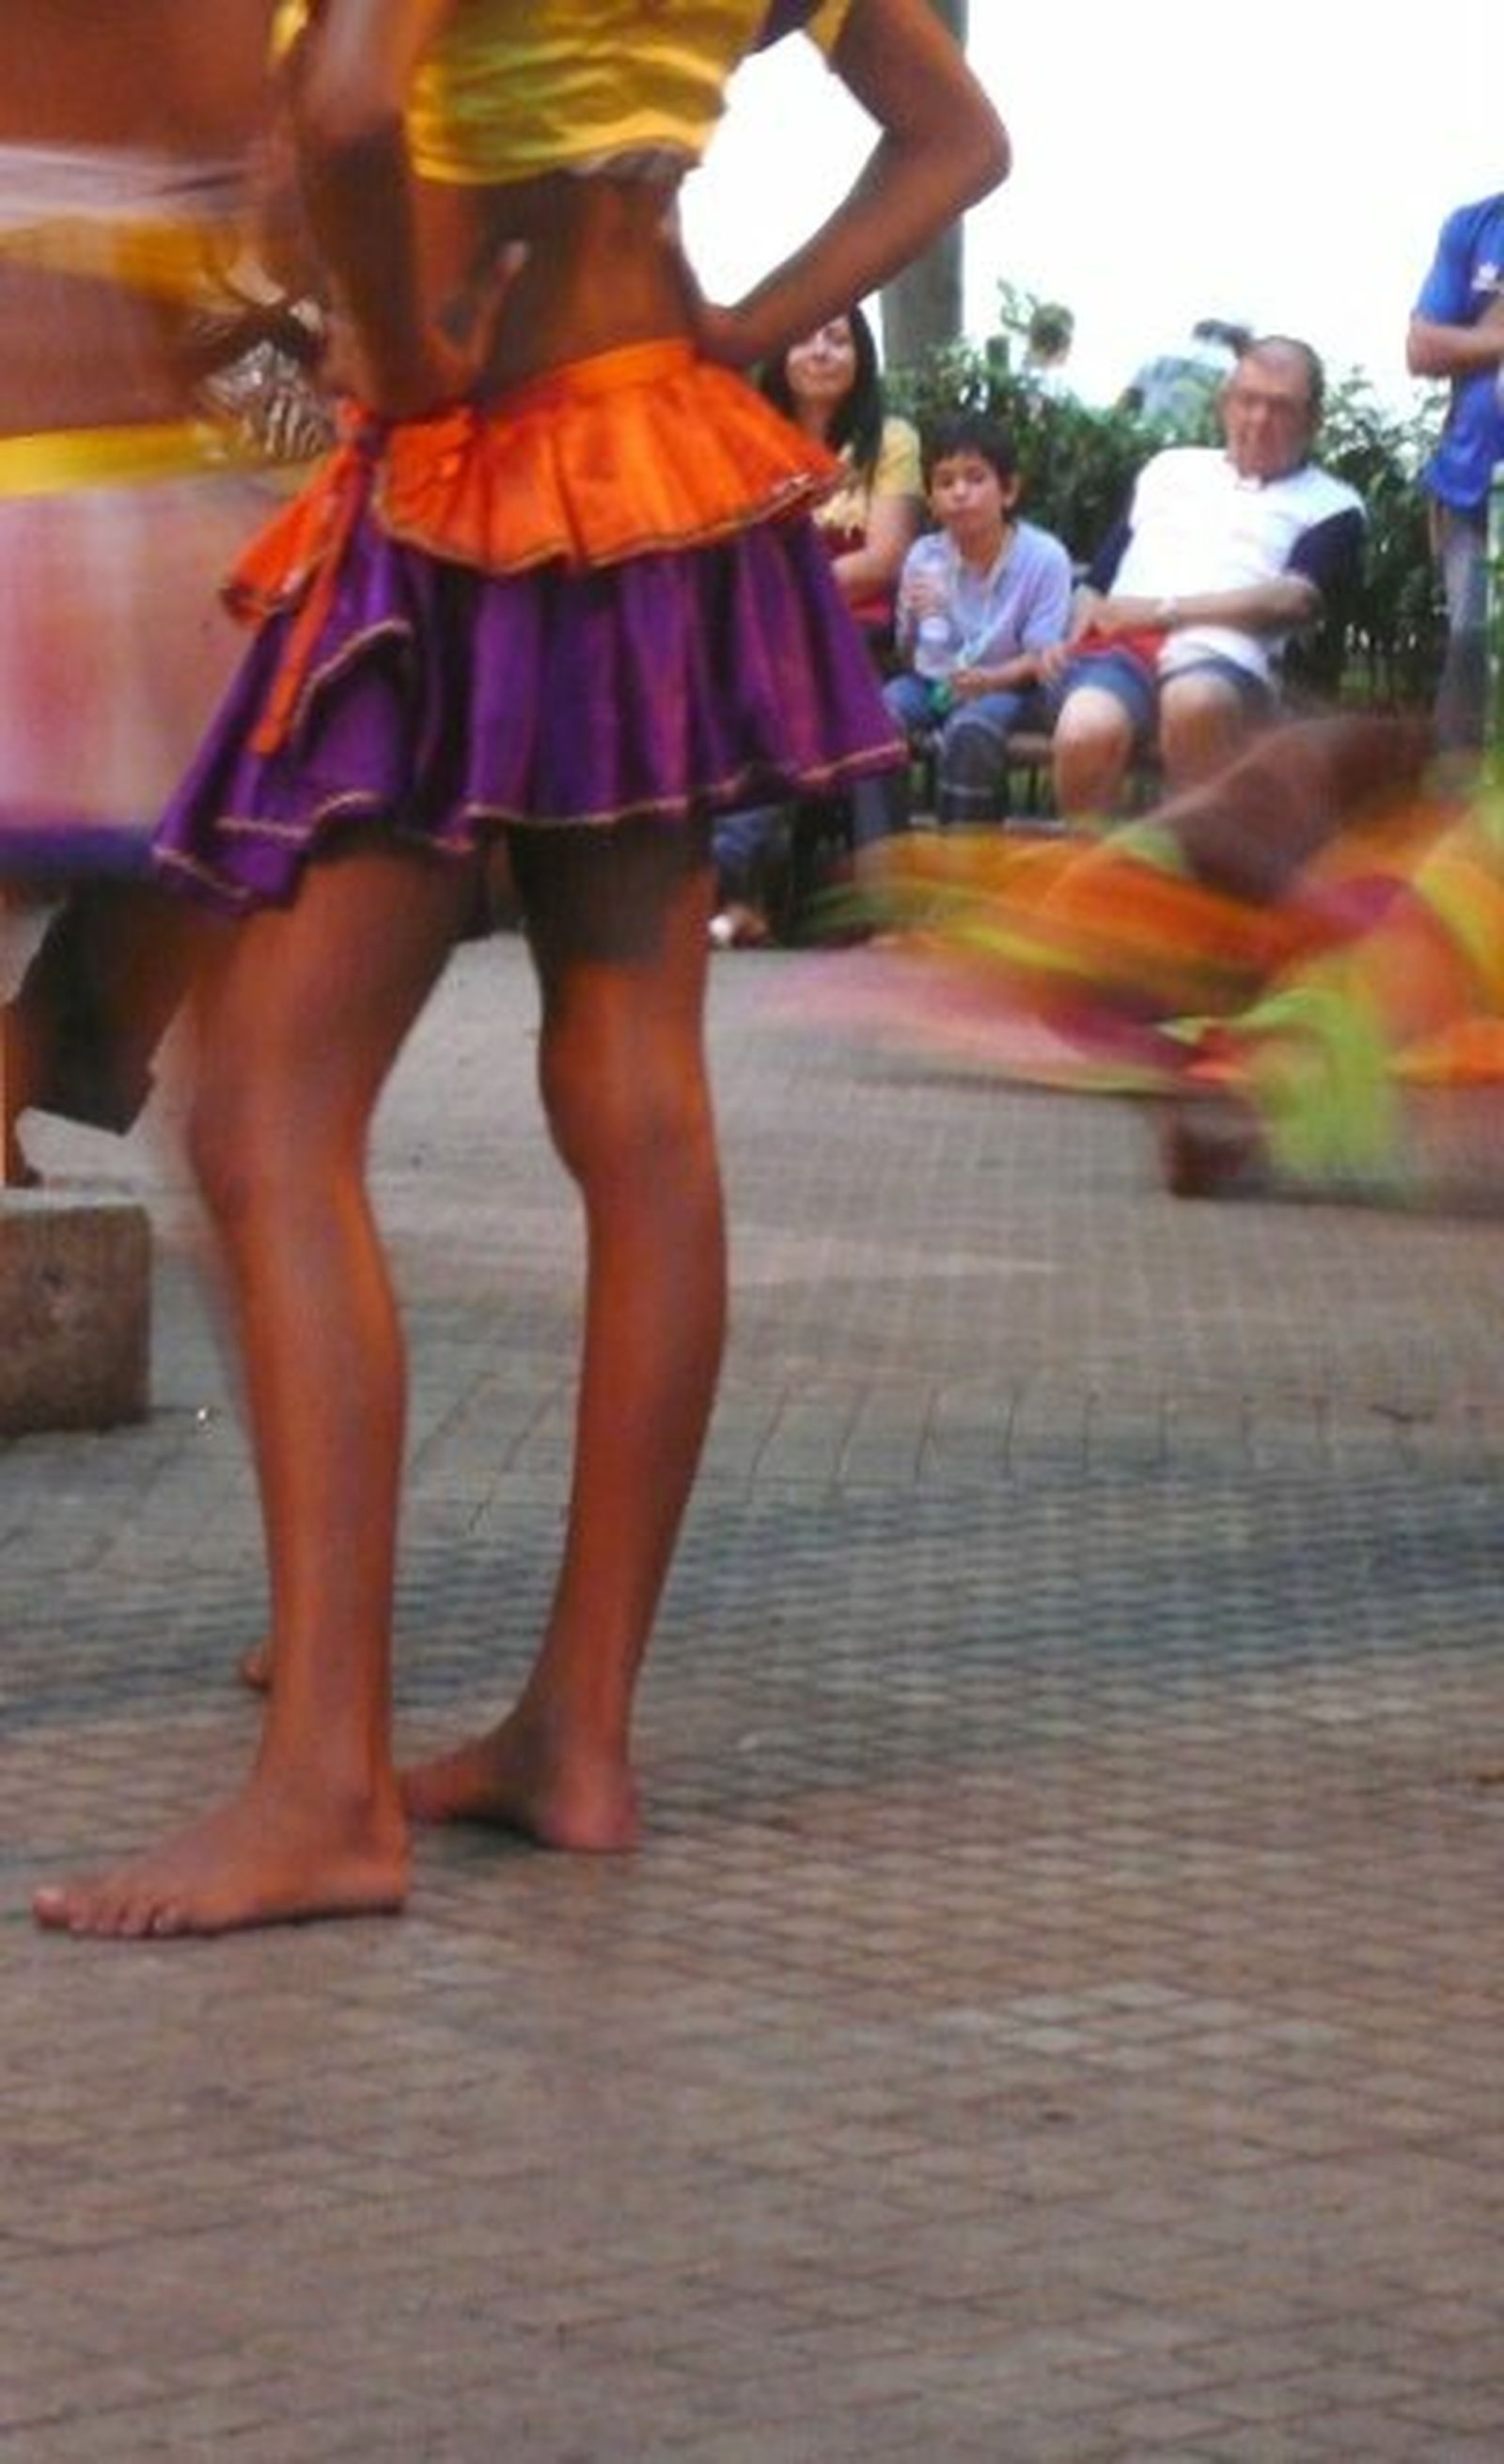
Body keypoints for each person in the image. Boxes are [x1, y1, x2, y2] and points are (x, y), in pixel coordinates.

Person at [33, 0, 1008, 1937]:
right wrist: (740, 329)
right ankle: (576, 1732)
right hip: (659, 449)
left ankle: (325, 1787)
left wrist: (389, 346)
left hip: (476, 475)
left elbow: (345, 100)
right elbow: (950, 138)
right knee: (634, 1088)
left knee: (263, 1117)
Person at [1042, 336, 1366, 827]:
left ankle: (1198, 882)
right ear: (1224, 404)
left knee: (1195, 702)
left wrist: (1161, 612)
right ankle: (1090, 886)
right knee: (1084, 728)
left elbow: (1296, 600)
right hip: (1121, 648)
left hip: (1229, 660)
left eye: (1280, 406)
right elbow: (1100, 578)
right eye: (1247, 400)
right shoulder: (1169, 469)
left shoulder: (1334, 505)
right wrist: (1077, 618)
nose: (1258, 419)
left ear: (1313, 419)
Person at [711, 298, 923, 946]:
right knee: (747, 694)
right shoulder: (751, 437)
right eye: (804, 338)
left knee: (796, 693)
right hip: (765, 632)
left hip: (855, 631)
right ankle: (739, 897)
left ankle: (730, 888)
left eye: (838, 338)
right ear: (781, 357)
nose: (822, 351)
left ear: (862, 357)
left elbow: (884, 560)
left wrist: (791, 593)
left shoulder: (890, 440)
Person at [882, 412, 1071, 826]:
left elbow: (1042, 655)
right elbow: (907, 656)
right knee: (879, 715)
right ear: (931, 499)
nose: (959, 492)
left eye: (975, 477)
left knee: (972, 728)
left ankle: (964, 865)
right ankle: (886, 856)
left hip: (1011, 688)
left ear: (1008, 490)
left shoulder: (1043, 558)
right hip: (934, 682)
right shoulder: (924, 556)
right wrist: (914, 617)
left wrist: (991, 680)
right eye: (945, 482)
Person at [1407, 192, 1504, 756]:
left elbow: (1447, 338)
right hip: (1472, 495)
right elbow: (1422, 347)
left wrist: (1476, 337)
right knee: (1473, 660)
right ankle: (1455, 826)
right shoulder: (1475, 224)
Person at [1118, 315, 1252, 438]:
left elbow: (1128, 400)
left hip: (1146, 437)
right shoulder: (1233, 370)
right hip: (1191, 446)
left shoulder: (1161, 356)